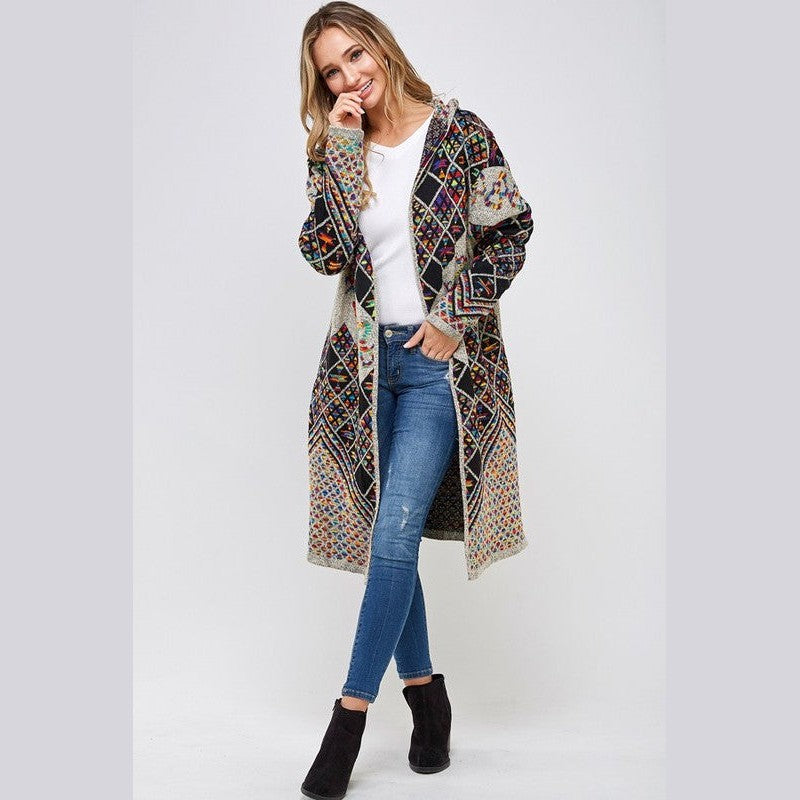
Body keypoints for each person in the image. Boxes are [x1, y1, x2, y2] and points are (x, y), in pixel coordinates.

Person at [296, 3, 534, 797]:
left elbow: (511, 229)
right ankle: (428, 699)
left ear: (382, 47)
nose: (349, 76)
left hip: (440, 371)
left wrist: (453, 316)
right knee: (384, 544)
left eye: (355, 55)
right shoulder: (339, 147)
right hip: (363, 375)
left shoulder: (461, 133)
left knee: (396, 531)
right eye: (331, 70)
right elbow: (323, 252)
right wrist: (338, 150)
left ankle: (348, 718)